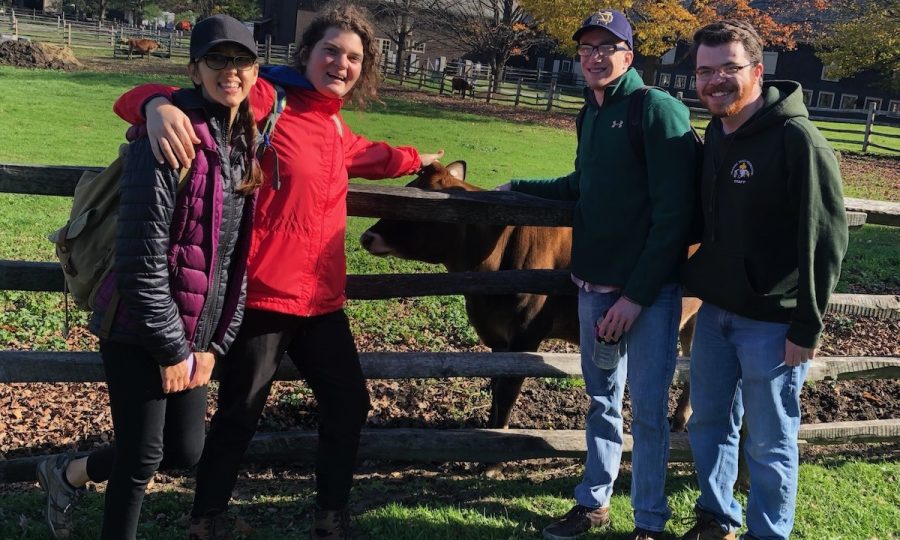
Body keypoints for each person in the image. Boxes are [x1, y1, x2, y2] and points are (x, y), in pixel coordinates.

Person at [112, 6, 444, 539]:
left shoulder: (334, 126)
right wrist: (153, 105)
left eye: (353, 57)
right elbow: (174, 94)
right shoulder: (269, 99)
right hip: (264, 296)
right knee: (241, 411)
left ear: (364, 69)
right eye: (330, 51)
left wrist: (416, 158)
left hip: (321, 302)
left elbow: (370, 155)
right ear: (306, 54)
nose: (341, 63)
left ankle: (330, 518)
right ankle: (206, 520)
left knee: (349, 403)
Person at [35, 14, 262, 540]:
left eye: (241, 60)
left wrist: (213, 346)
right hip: (138, 324)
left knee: (184, 451)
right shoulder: (163, 140)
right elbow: (141, 260)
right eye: (217, 60)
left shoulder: (241, 145)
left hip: (193, 335)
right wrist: (172, 350)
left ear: (255, 70)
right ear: (194, 69)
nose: (230, 71)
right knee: (141, 459)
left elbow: (234, 260)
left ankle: (64, 472)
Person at [497, 9, 698, 540]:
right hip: (593, 290)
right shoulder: (590, 112)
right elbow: (580, 185)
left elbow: (675, 217)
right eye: (586, 48)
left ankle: (651, 522)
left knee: (650, 410)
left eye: (606, 47)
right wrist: (513, 187)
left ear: (628, 56)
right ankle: (594, 503)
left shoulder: (656, 110)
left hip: (648, 296)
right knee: (603, 401)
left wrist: (635, 295)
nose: (594, 56)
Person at [679, 20, 847, 540]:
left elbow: (824, 239)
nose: (715, 80)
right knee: (708, 423)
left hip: (773, 325)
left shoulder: (798, 141)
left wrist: (807, 326)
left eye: (728, 67)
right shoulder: (715, 131)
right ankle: (717, 516)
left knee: (770, 439)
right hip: (716, 315)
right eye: (705, 71)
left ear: (757, 70)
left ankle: (768, 533)